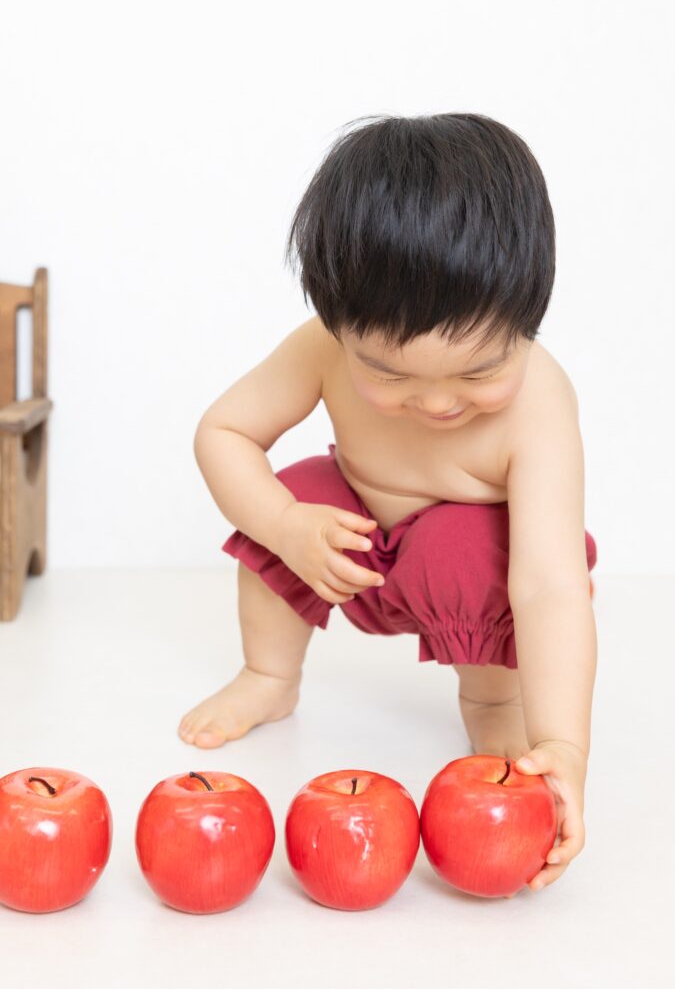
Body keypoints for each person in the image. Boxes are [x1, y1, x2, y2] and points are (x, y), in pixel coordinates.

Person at [179, 112, 598, 893]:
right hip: (351, 548)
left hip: (466, 577)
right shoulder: (322, 346)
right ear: (341, 329)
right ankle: (269, 674)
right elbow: (223, 431)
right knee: (290, 491)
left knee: (476, 551)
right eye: (390, 374)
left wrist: (564, 746)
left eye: (478, 372)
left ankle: (493, 701)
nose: (436, 403)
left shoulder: (539, 401)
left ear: (527, 318)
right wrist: (283, 524)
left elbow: (547, 586)